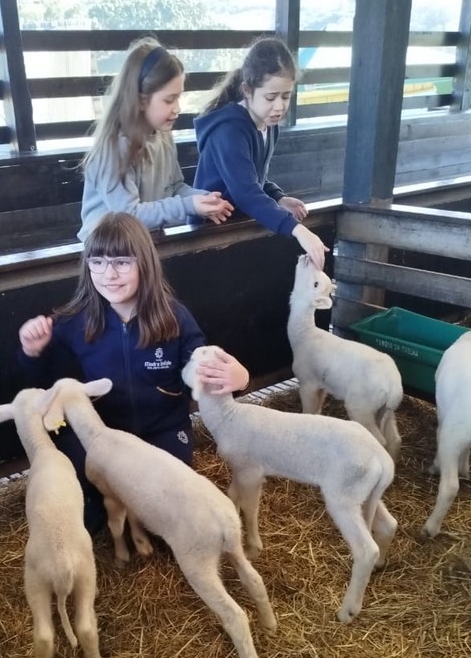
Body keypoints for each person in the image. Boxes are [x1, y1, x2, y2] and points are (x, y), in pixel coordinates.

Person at [18, 212, 248, 531]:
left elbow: (199, 371)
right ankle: (97, 507)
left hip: (162, 431)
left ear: (145, 264)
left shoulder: (175, 319)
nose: (109, 274)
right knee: (84, 497)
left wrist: (239, 378)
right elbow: (42, 385)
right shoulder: (75, 321)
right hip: (101, 434)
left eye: (122, 262)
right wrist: (32, 351)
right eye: (98, 262)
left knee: (172, 508)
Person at [78, 38, 233, 242]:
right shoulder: (114, 147)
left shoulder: (163, 135)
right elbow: (129, 216)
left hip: (146, 245)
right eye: (169, 100)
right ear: (141, 100)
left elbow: (174, 187)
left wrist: (205, 200)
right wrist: (189, 205)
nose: (177, 108)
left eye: (178, 97)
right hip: (107, 253)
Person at [193, 37, 328, 270]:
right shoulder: (229, 130)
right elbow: (246, 192)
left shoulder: (268, 123)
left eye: (286, 96)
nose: (279, 106)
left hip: (238, 228)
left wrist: (278, 197)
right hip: (206, 235)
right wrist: (298, 230)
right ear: (247, 90)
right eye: (270, 97)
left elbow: (254, 178)